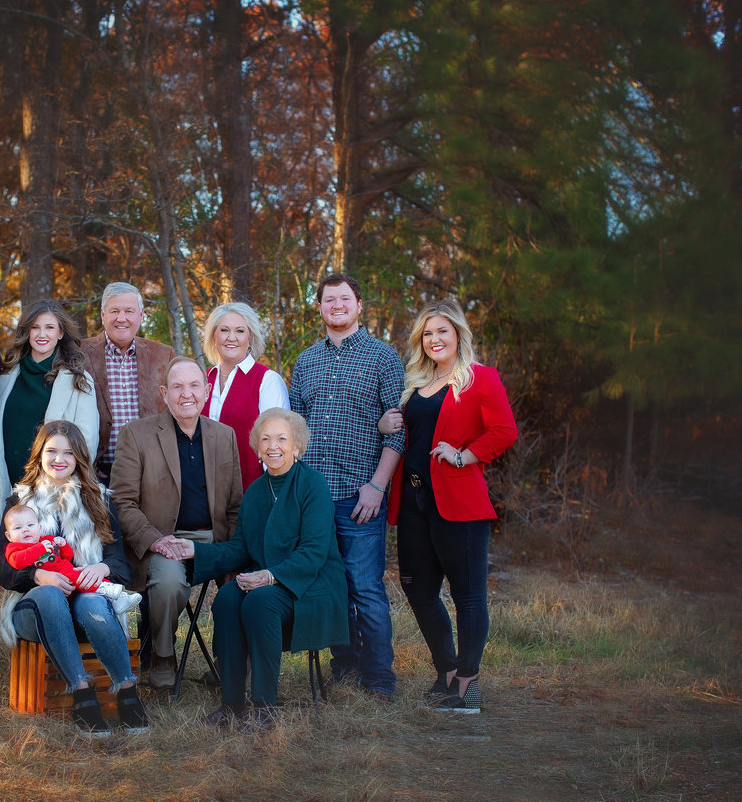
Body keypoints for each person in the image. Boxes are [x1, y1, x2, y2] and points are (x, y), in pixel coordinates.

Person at [378, 300, 517, 714]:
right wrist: (388, 422)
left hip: (460, 503)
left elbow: (504, 430)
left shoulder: (479, 379)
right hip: (414, 502)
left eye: (442, 331)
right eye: (427, 333)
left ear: (458, 334)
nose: (435, 339)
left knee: (468, 594)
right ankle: (447, 670)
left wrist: (464, 455)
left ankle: (467, 684)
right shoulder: (414, 383)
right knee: (417, 589)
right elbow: (405, 432)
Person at [173, 409, 348, 729]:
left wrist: (270, 576)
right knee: (226, 598)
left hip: (310, 587)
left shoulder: (313, 485)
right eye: (265, 439)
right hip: (269, 582)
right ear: (257, 448)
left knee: (259, 600)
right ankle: (232, 704)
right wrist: (195, 550)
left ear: (297, 447)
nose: (273, 445)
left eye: (282, 438)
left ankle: (265, 707)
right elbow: (241, 548)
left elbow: (314, 551)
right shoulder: (254, 493)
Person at [0, 420, 149, 737]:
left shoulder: (99, 500)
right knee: (50, 597)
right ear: (39, 455)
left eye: (68, 452)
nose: (59, 459)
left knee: (92, 600)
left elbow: (118, 559)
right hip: (33, 609)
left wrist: (102, 569)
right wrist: (38, 575)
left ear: (79, 457)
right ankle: (81, 694)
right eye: (51, 451)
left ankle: (127, 691)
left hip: (84, 606)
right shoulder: (20, 501)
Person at [289, 273, 405, 700]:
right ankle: (346, 668)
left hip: (361, 497)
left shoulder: (383, 358)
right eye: (328, 299)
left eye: (344, 299)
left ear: (359, 305)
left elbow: (397, 432)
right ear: (319, 307)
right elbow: (294, 433)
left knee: (366, 588)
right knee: (332, 588)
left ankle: (379, 679)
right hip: (315, 499)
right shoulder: (305, 361)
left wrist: (377, 486)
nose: (336, 305)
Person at [111, 357, 243, 689]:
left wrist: (236, 552)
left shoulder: (224, 436)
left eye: (194, 385)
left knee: (247, 582)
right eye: (178, 387)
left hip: (214, 540)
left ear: (207, 390)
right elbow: (122, 502)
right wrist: (154, 540)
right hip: (165, 541)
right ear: (164, 393)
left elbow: (234, 505)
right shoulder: (136, 435)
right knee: (168, 583)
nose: (187, 394)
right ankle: (163, 656)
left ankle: (234, 661)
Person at [0, 299, 98, 505]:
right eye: (35, 328)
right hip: (10, 488)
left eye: (49, 327)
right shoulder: (6, 377)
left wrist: (66, 488)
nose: (42, 334)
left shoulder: (78, 380)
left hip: (56, 493)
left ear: (60, 333)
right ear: (26, 332)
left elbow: (87, 443)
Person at [79, 282, 175, 484]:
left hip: (151, 472)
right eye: (114, 311)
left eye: (129, 311)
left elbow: (176, 412)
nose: (121, 319)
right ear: (103, 315)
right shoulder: (79, 353)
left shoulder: (163, 355)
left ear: (140, 315)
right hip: (95, 474)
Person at [201, 302, 290, 491]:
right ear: (213, 336)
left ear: (250, 337)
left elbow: (278, 445)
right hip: (206, 492)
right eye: (224, 330)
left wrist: (274, 495)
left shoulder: (267, 381)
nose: (231, 338)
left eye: (240, 331)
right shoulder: (203, 379)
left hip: (252, 491)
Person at [2, 504, 142, 615]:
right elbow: (17, 561)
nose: (25, 530)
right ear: (9, 536)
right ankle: (111, 592)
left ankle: (117, 598)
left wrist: (63, 545)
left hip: (67, 571)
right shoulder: (14, 548)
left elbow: (68, 557)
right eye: (18, 528)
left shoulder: (46, 540)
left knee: (85, 577)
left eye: (30, 525)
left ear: (39, 528)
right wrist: (39, 549)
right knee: (80, 578)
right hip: (54, 583)